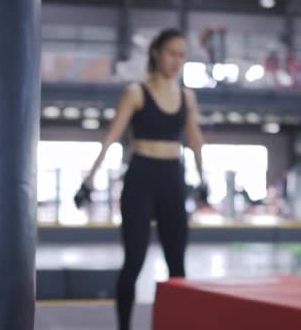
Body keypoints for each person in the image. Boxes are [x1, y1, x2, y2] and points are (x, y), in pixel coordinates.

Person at [74, 28, 205, 330]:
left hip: (174, 178)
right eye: (171, 53)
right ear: (157, 54)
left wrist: (204, 178)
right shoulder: (136, 92)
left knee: (178, 267)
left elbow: (196, 140)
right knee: (134, 260)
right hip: (141, 177)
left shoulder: (187, 96)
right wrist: (88, 180)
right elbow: (111, 136)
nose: (176, 61)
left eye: (182, 55)